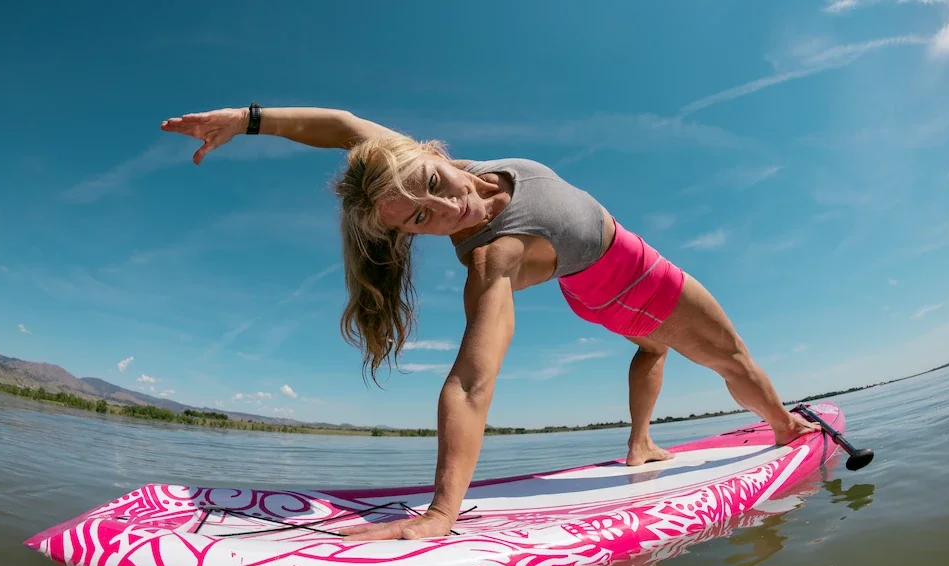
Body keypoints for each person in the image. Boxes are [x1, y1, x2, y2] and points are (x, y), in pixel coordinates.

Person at [161, 105, 820, 541]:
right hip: (638, 275)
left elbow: (337, 125)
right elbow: (472, 382)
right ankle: (789, 429)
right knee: (730, 354)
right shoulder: (492, 256)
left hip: (593, 292)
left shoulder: (422, 168)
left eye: (433, 180)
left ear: (428, 150)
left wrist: (245, 120)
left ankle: (640, 443)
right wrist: (442, 511)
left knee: (653, 349)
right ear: (411, 235)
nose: (450, 203)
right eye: (420, 218)